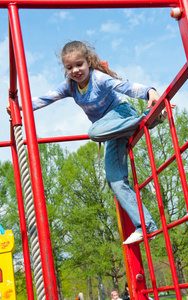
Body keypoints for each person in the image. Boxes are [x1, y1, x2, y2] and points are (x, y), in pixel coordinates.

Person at [7, 41, 174, 244]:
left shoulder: (98, 78)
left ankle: (148, 118)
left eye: (79, 65)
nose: (75, 71)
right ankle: (145, 225)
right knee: (115, 181)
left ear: (88, 62)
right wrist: (20, 108)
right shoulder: (70, 87)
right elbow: (46, 98)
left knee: (94, 132)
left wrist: (150, 91)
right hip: (111, 131)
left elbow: (125, 87)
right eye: (69, 68)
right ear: (65, 69)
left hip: (121, 115)